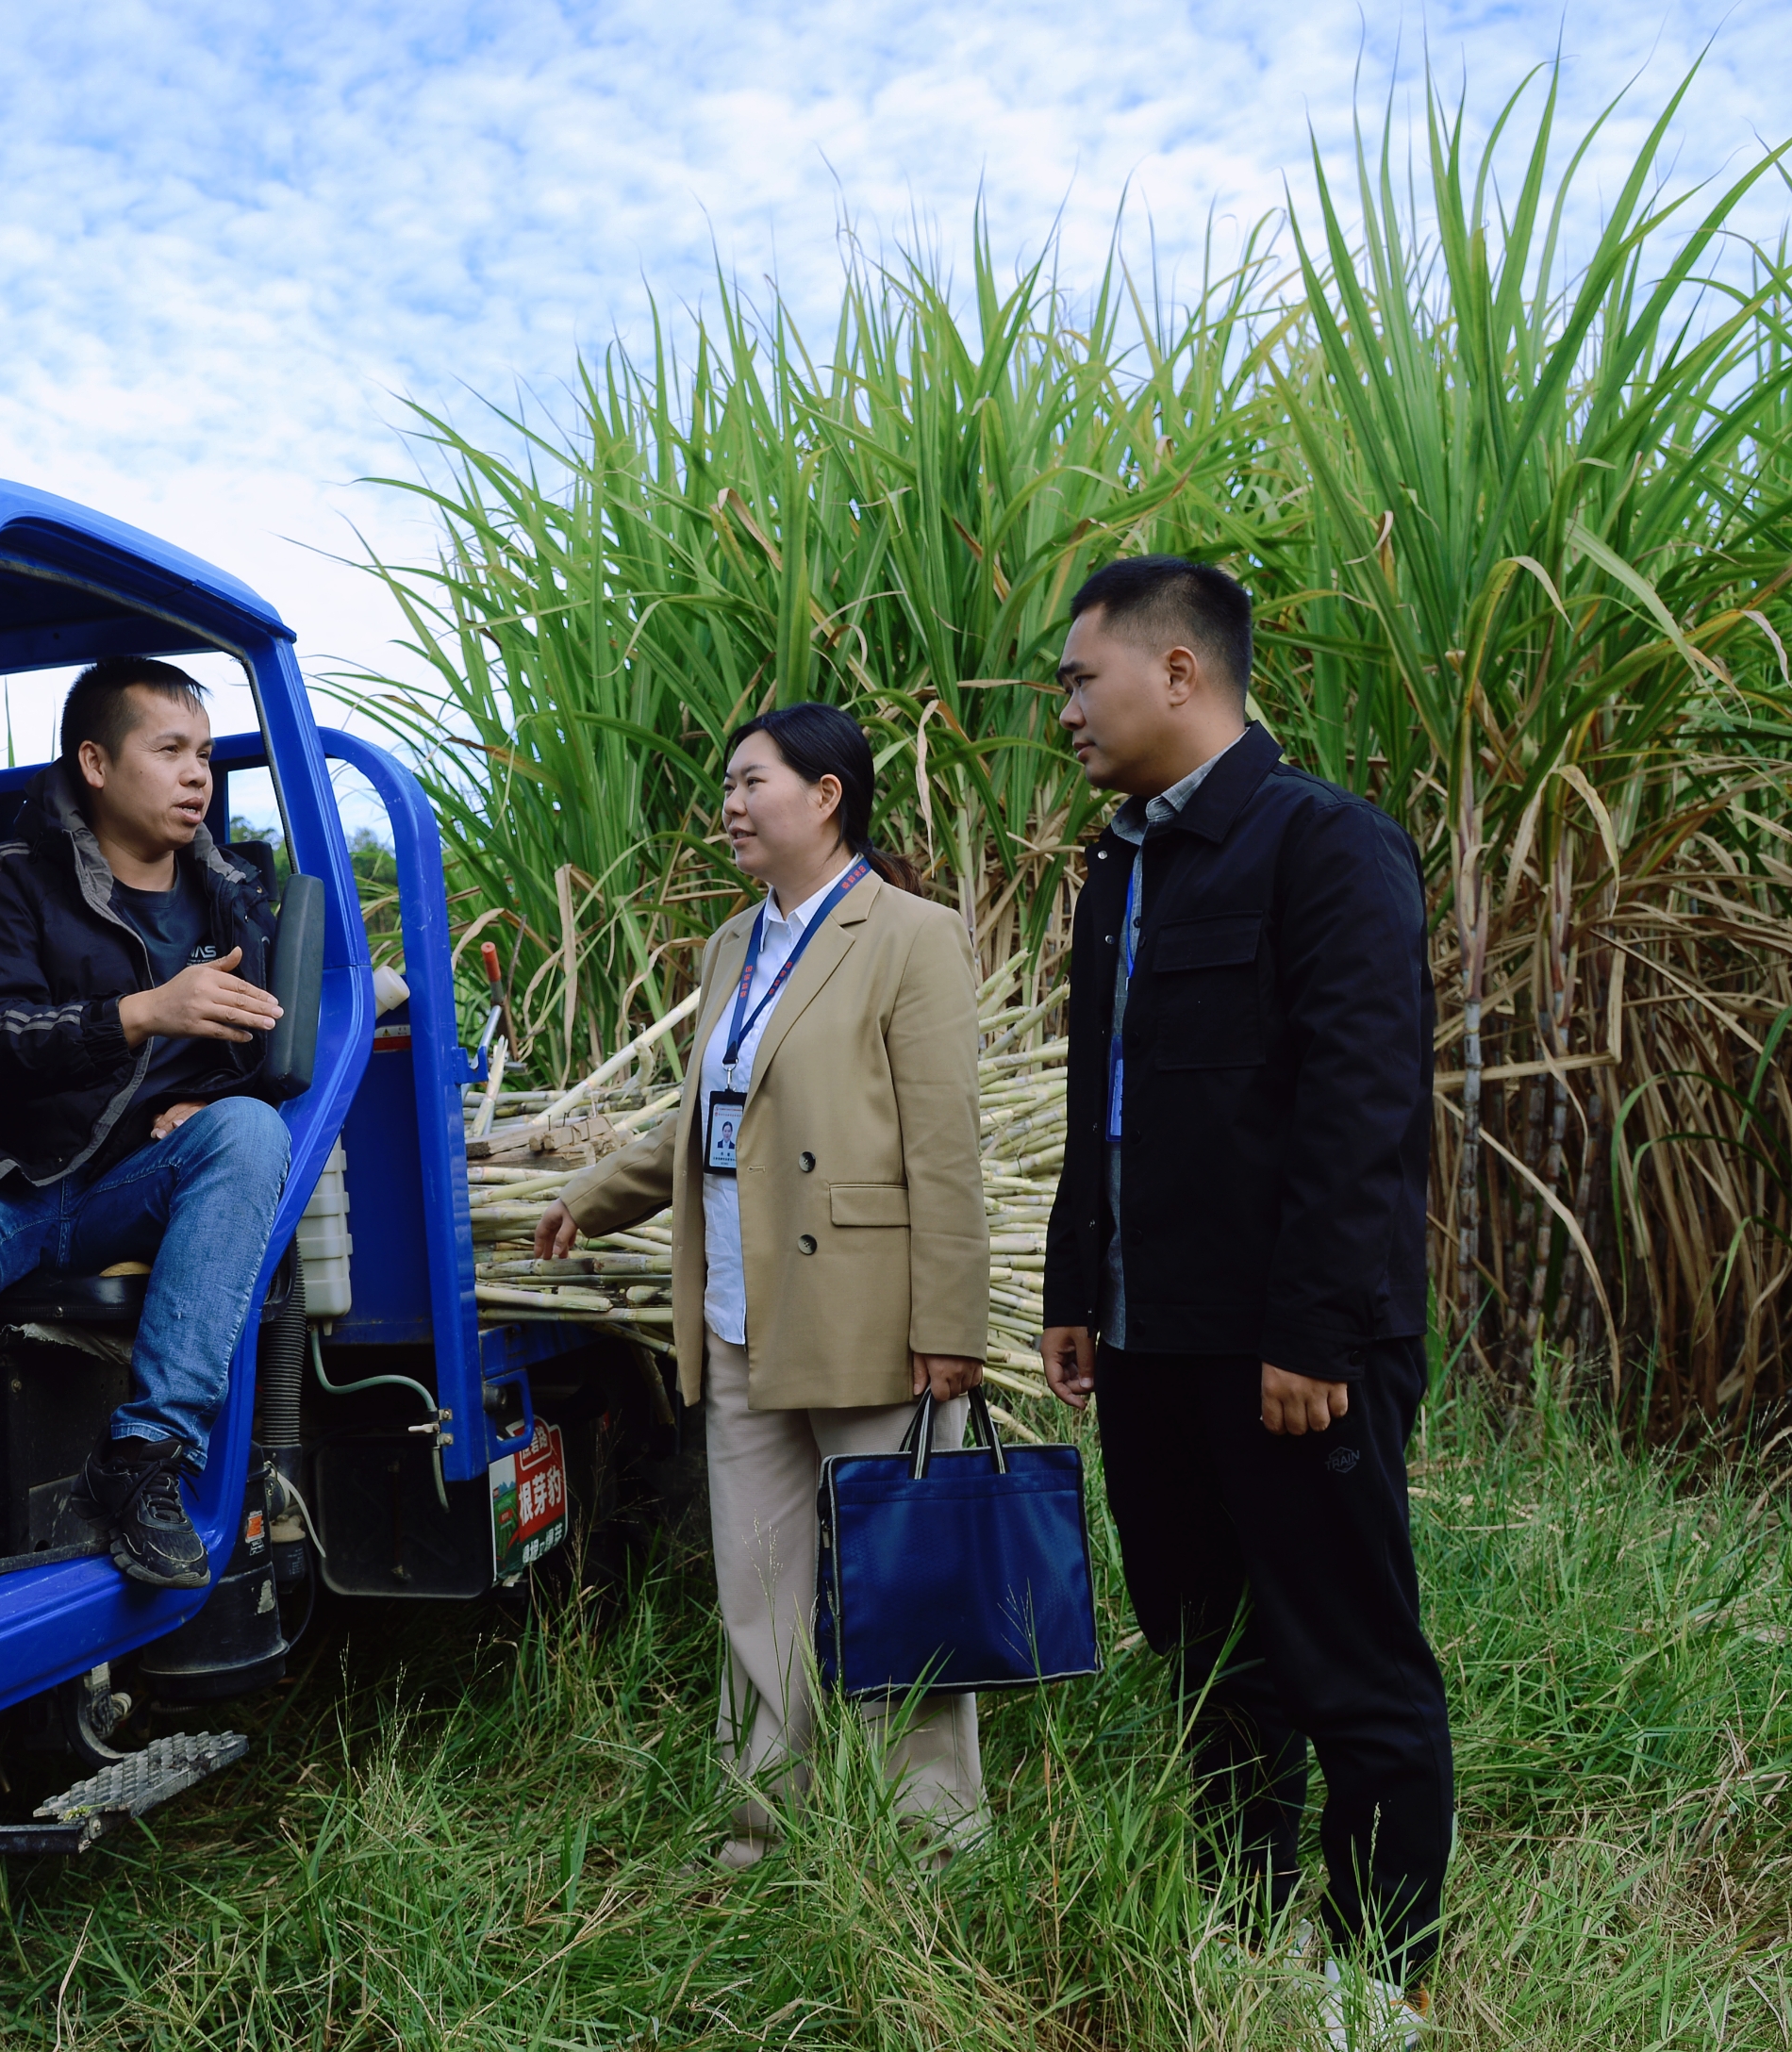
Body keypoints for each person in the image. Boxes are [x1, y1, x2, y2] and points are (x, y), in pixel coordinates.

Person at [1035, 557, 1450, 2042]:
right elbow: (1110, 1107)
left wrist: (1310, 1333)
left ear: (1182, 674)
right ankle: (1249, 1929)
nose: (1066, 708)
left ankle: (1383, 1981)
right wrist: (1074, 1284)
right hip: (1151, 1347)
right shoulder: (1121, 873)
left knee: (1348, 1657)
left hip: (1290, 1353)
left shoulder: (1325, 847)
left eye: (1084, 679)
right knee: (1204, 1648)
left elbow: (1363, 1109)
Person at [538, 702, 990, 1868]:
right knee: (758, 1594)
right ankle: (763, 1832)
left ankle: (931, 1842)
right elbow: (706, 1121)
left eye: (752, 782)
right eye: (728, 785)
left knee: (896, 1585)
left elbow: (945, 1149)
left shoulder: (909, 935)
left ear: (827, 795)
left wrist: (951, 1324)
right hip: (739, 1318)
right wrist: (590, 1194)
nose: (730, 805)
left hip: (870, 1319)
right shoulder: (734, 946)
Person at [0, 657, 293, 1590]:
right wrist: (141, 1012)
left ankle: (142, 1462)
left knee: (250, 1134)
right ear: (95, 761)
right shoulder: (12, 877)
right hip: (6, 1182)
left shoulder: (233, 892)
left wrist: (219, 1093)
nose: (197, 774)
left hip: (135, 1185)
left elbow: (266, 1046)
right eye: (169, 751)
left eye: (203, 754)